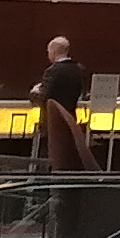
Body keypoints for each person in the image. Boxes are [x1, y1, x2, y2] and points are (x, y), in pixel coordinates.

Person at [31, 34, 90, 168]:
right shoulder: (78, 70)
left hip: (52, 122)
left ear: (53, 52)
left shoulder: (52, 71)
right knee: (66, 157)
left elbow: (44, 96)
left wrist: (34, 92)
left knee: (51, 157)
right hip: (71, 120)